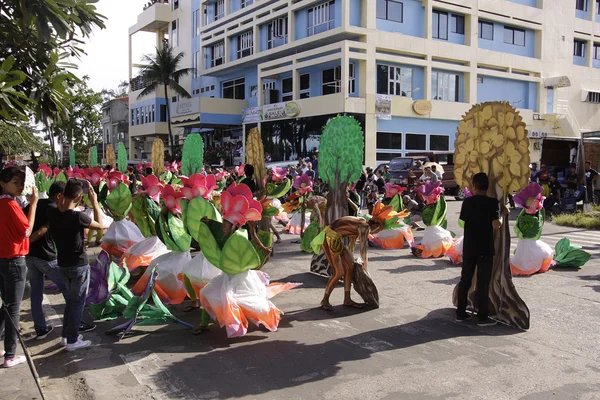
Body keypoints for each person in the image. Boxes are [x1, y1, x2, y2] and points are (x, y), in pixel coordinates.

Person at [25, 181, 96, 341]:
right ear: (59, 196)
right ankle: (75, 327)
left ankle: (41, 328)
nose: (64, 201)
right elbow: (41, 232)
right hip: (46, 257)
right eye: (63, 197)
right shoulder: (53, 211)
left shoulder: (36, 204)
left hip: (30, 256)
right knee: (71, 293)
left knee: (36, 293)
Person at [47, 179, 103, 351]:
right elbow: (100, 225)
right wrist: (94, 203)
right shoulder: (79, 216)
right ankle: (72, 340)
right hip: (78, 265)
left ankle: (67, 335)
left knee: (71, 302)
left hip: (62, 264)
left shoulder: (53, 214)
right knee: (77, 303)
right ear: (79, 198)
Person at [0, 167, 39, 367]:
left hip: (2, 259)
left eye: (21, 183)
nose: (19, 186)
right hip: (14, 260)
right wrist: (33, 205)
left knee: (7, 305)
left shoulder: (5, 203)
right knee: (13, 308)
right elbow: (26, 230)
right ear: (3, 183)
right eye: (15, 182)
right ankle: (10, 355)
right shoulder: (10, 204)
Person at [455, 172, 505, 327]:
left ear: (474, 186)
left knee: (465, 280)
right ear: (487, 187)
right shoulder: (492, 202)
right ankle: (482, 317)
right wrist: (502, 215)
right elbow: (496, 225)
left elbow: (461, 221)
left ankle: (461, 313)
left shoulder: (467, 202)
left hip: (469, 247)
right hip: (485, 248)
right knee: (483, 283)